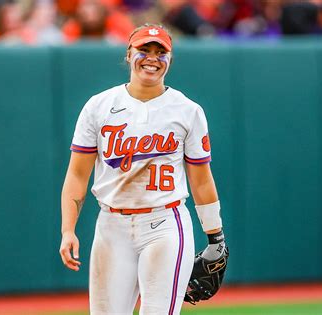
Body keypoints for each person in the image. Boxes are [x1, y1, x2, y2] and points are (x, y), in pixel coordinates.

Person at [59, 23, 227, 314]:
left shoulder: (187, 110)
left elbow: (201, 179)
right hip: (111, 225)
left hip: (165, 222)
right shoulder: (99, 106)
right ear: (128, 54)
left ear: (170, 59)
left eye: (160, 52)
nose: (152, 57)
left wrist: (216, 236)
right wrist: (67, 230)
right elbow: (77, 174)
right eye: (144, 50)